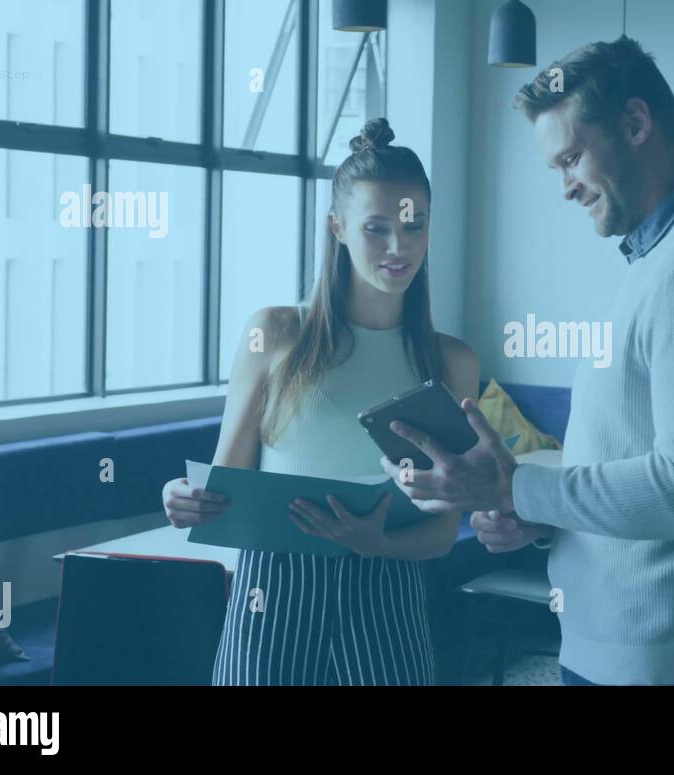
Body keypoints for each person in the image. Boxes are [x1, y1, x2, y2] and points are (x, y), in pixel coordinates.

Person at [381, 37, 674, 686]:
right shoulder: (668, 262)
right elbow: (635, 471)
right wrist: (539, 517)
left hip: (666, 665)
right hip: (641, 654)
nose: (567, 189)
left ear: (635, 123)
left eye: (571, 158)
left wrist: (515, 486)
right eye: (556, 168)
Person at [160, 118, 479, 685]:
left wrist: (378, 543)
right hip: (273, 586)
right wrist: (182, 497)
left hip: (385, 587)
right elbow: (224, 483)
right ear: (337, 227)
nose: (397, 247)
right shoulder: (274, 333)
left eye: (414, 226)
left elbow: (440, 533)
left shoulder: (452, 362)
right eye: (376, 228)